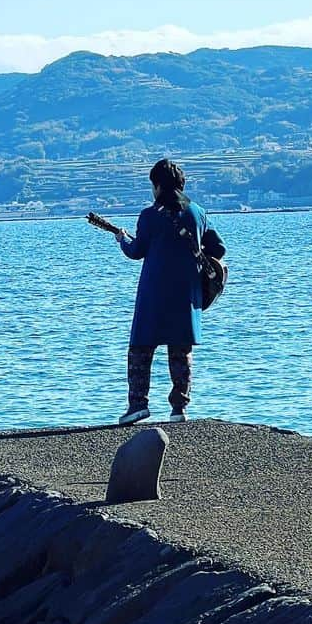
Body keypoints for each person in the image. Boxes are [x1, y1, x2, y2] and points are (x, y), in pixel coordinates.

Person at [114, 158, 215, 425]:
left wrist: (122, 239)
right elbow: (218, 248)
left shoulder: (149, 216)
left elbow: (136, 251)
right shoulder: (198, 212)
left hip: (153, 295)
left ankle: (138, 405)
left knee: (140, 350)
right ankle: (179, 408)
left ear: (158, 186)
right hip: (186, 295)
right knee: (181, 352)